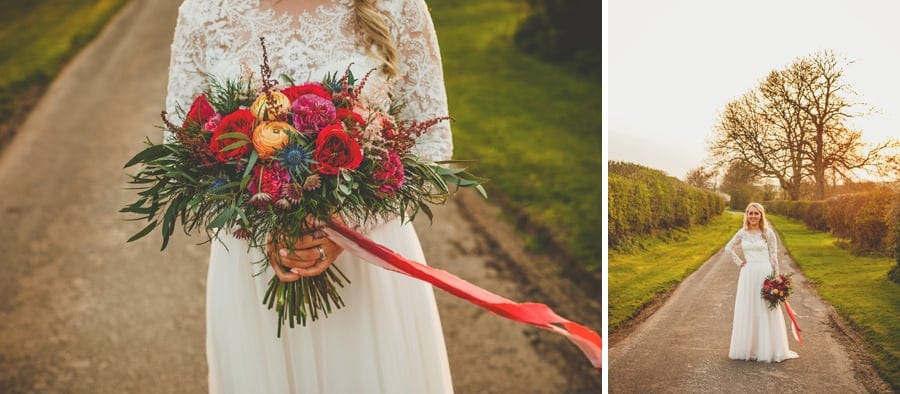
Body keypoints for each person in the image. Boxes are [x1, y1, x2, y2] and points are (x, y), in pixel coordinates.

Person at [165, 0, 455, 392]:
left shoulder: (398, 6)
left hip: (367, 259)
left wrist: (347, 229)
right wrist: (264, 225)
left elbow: (431, 145)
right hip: (253, 262)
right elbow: (182, 150)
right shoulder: (204, 11)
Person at [724, 202, 799, 363]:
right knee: (749, 308)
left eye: (756, 213)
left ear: (761, 215)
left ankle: (767, 348)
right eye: (750, 213)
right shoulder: (742, 233)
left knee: (765, 309)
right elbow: (728, 248)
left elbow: (773, 256)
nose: (753, 216)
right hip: (748, 274)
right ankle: (748, 348)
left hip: (765, 273)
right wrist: (740, 263)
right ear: (746, 215)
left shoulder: (768, 233)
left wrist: (777, 278)